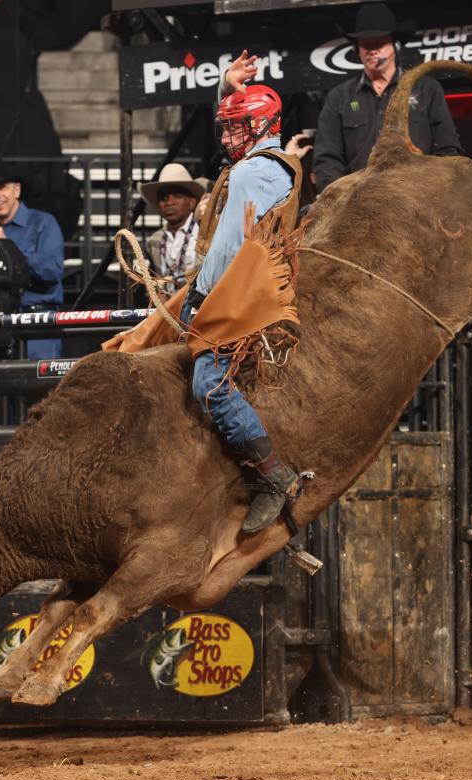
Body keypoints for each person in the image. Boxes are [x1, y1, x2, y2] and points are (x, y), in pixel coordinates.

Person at [184, 51, 303, 534]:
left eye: (237, 128)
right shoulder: (267, 164)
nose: (228, 138)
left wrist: (199, 295)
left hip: (239, 293)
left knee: (207, 382)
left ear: (260, 127)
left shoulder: (254, 172)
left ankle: (274, 477)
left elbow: (231, 245)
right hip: (250, 284)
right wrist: (229, 89)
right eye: (227, 127)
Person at [312, 2, 461, 194]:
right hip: (357, 202)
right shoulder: (338, 97)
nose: (372, 50)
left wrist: (435, 192)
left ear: (394, 46)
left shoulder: (426, 89)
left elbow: (448, 150)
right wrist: (341, 198)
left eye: (379, 43)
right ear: (357, 49)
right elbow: (327, 160)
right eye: (365, 44)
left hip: (419, 199)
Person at [0, 157, 65, 359]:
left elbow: (51, 270)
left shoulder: (43, 222)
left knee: (40, 388)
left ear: (17, 190)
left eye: (1, 187)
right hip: (0, 326)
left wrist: (8, 247)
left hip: (37, 324)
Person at [141, 163, 204, 293]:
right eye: (164, 198)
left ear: (192, 203)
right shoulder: (155, 241)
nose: (169, 202)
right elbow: (157, 282)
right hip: (169, 308)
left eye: (177, 196)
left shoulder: (205, 233)